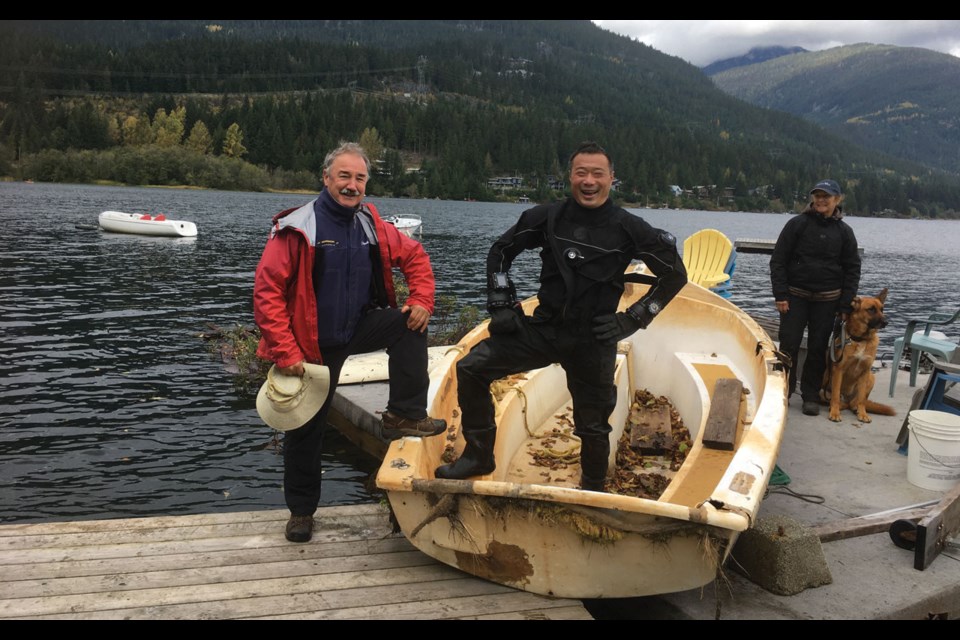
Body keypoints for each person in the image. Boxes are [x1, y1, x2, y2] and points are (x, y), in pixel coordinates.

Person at [435, 141, 687, 491]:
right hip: (544, 328)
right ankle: (479, 456)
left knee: (593, 425)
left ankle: (594, 486)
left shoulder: (629, 227)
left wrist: (632, 319)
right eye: (581, 172)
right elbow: (501, 252)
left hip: (594, 337)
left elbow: (674, 276)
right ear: (569, 177)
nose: (589, 181)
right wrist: (501, 305)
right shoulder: (546, 217)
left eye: (597, 173)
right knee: (471, 368)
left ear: (611, 179)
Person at [253, 141, 446, 543]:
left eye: (359, 178)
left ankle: (404, 412)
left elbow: (416, 257)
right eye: (344, 176)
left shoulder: (370, 223)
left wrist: (421, 299)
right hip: (310, 346)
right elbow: (267, 291)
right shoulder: (299, 226)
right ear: (326, 178)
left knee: (408, 322)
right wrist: (285, 351)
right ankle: (302, 512)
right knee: (305, 430)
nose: (352, 185)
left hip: (357, 328)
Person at [770, 179, 861, 417]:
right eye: (817, 196)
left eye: (826, 196)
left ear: (837, 200)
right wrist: (780, 294)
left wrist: (845, 305)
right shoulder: (796, 225)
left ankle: (810, 395)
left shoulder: (845, 232)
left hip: (828, 300)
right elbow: (778, 261)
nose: (821, 200)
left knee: (818, 347)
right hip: (794, 297)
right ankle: (783, 392)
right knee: (788, 345)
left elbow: (852, 269)